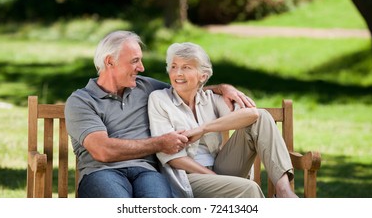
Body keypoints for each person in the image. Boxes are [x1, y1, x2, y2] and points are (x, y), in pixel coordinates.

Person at [64, 31, 253, 198]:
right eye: (135, 61)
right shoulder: (81, 101)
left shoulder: (144, 87)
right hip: (102, 172)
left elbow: (186, 87)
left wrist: (222, 88)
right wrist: (160, 143)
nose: (141, 68)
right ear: (110, 61)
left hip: (146, 172)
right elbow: (103, 150)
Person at [148, 42, 298, 198]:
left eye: (186, 67)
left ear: (203, 76)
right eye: (173, 67)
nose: (178, 73)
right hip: (186, 177)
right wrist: (214, 177)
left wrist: (204, 128)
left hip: (220, 167)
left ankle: (284, 191)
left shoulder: (210, 99)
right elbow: (173, 158)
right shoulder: (159, 100)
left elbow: (252, 114)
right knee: (249, 188)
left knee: (262, 118)